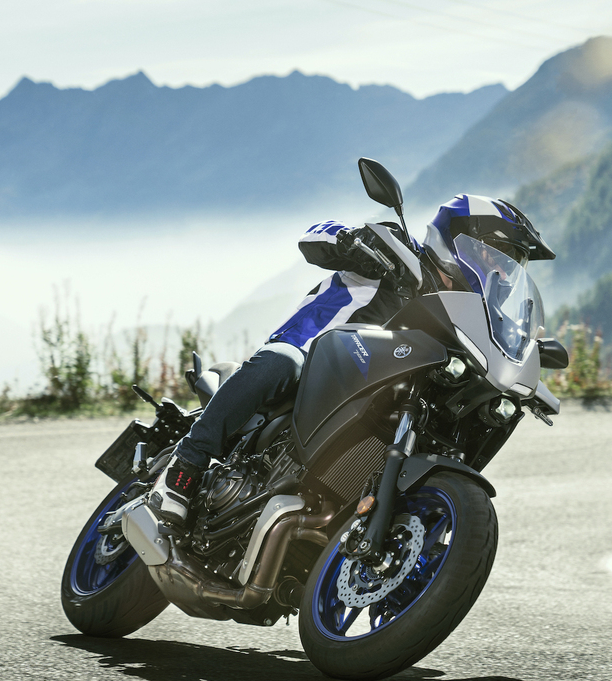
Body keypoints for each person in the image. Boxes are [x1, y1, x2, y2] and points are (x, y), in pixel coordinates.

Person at [149, 193, 555, 526]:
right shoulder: (399, 250)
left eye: (512, 266)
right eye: (497, 256)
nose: (504, 273)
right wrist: (349, 240)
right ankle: (185, 464)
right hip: (312, 351)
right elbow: (315, 236)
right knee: (281, 363)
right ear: (461, 239)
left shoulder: (467, 316)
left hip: (371, 387)